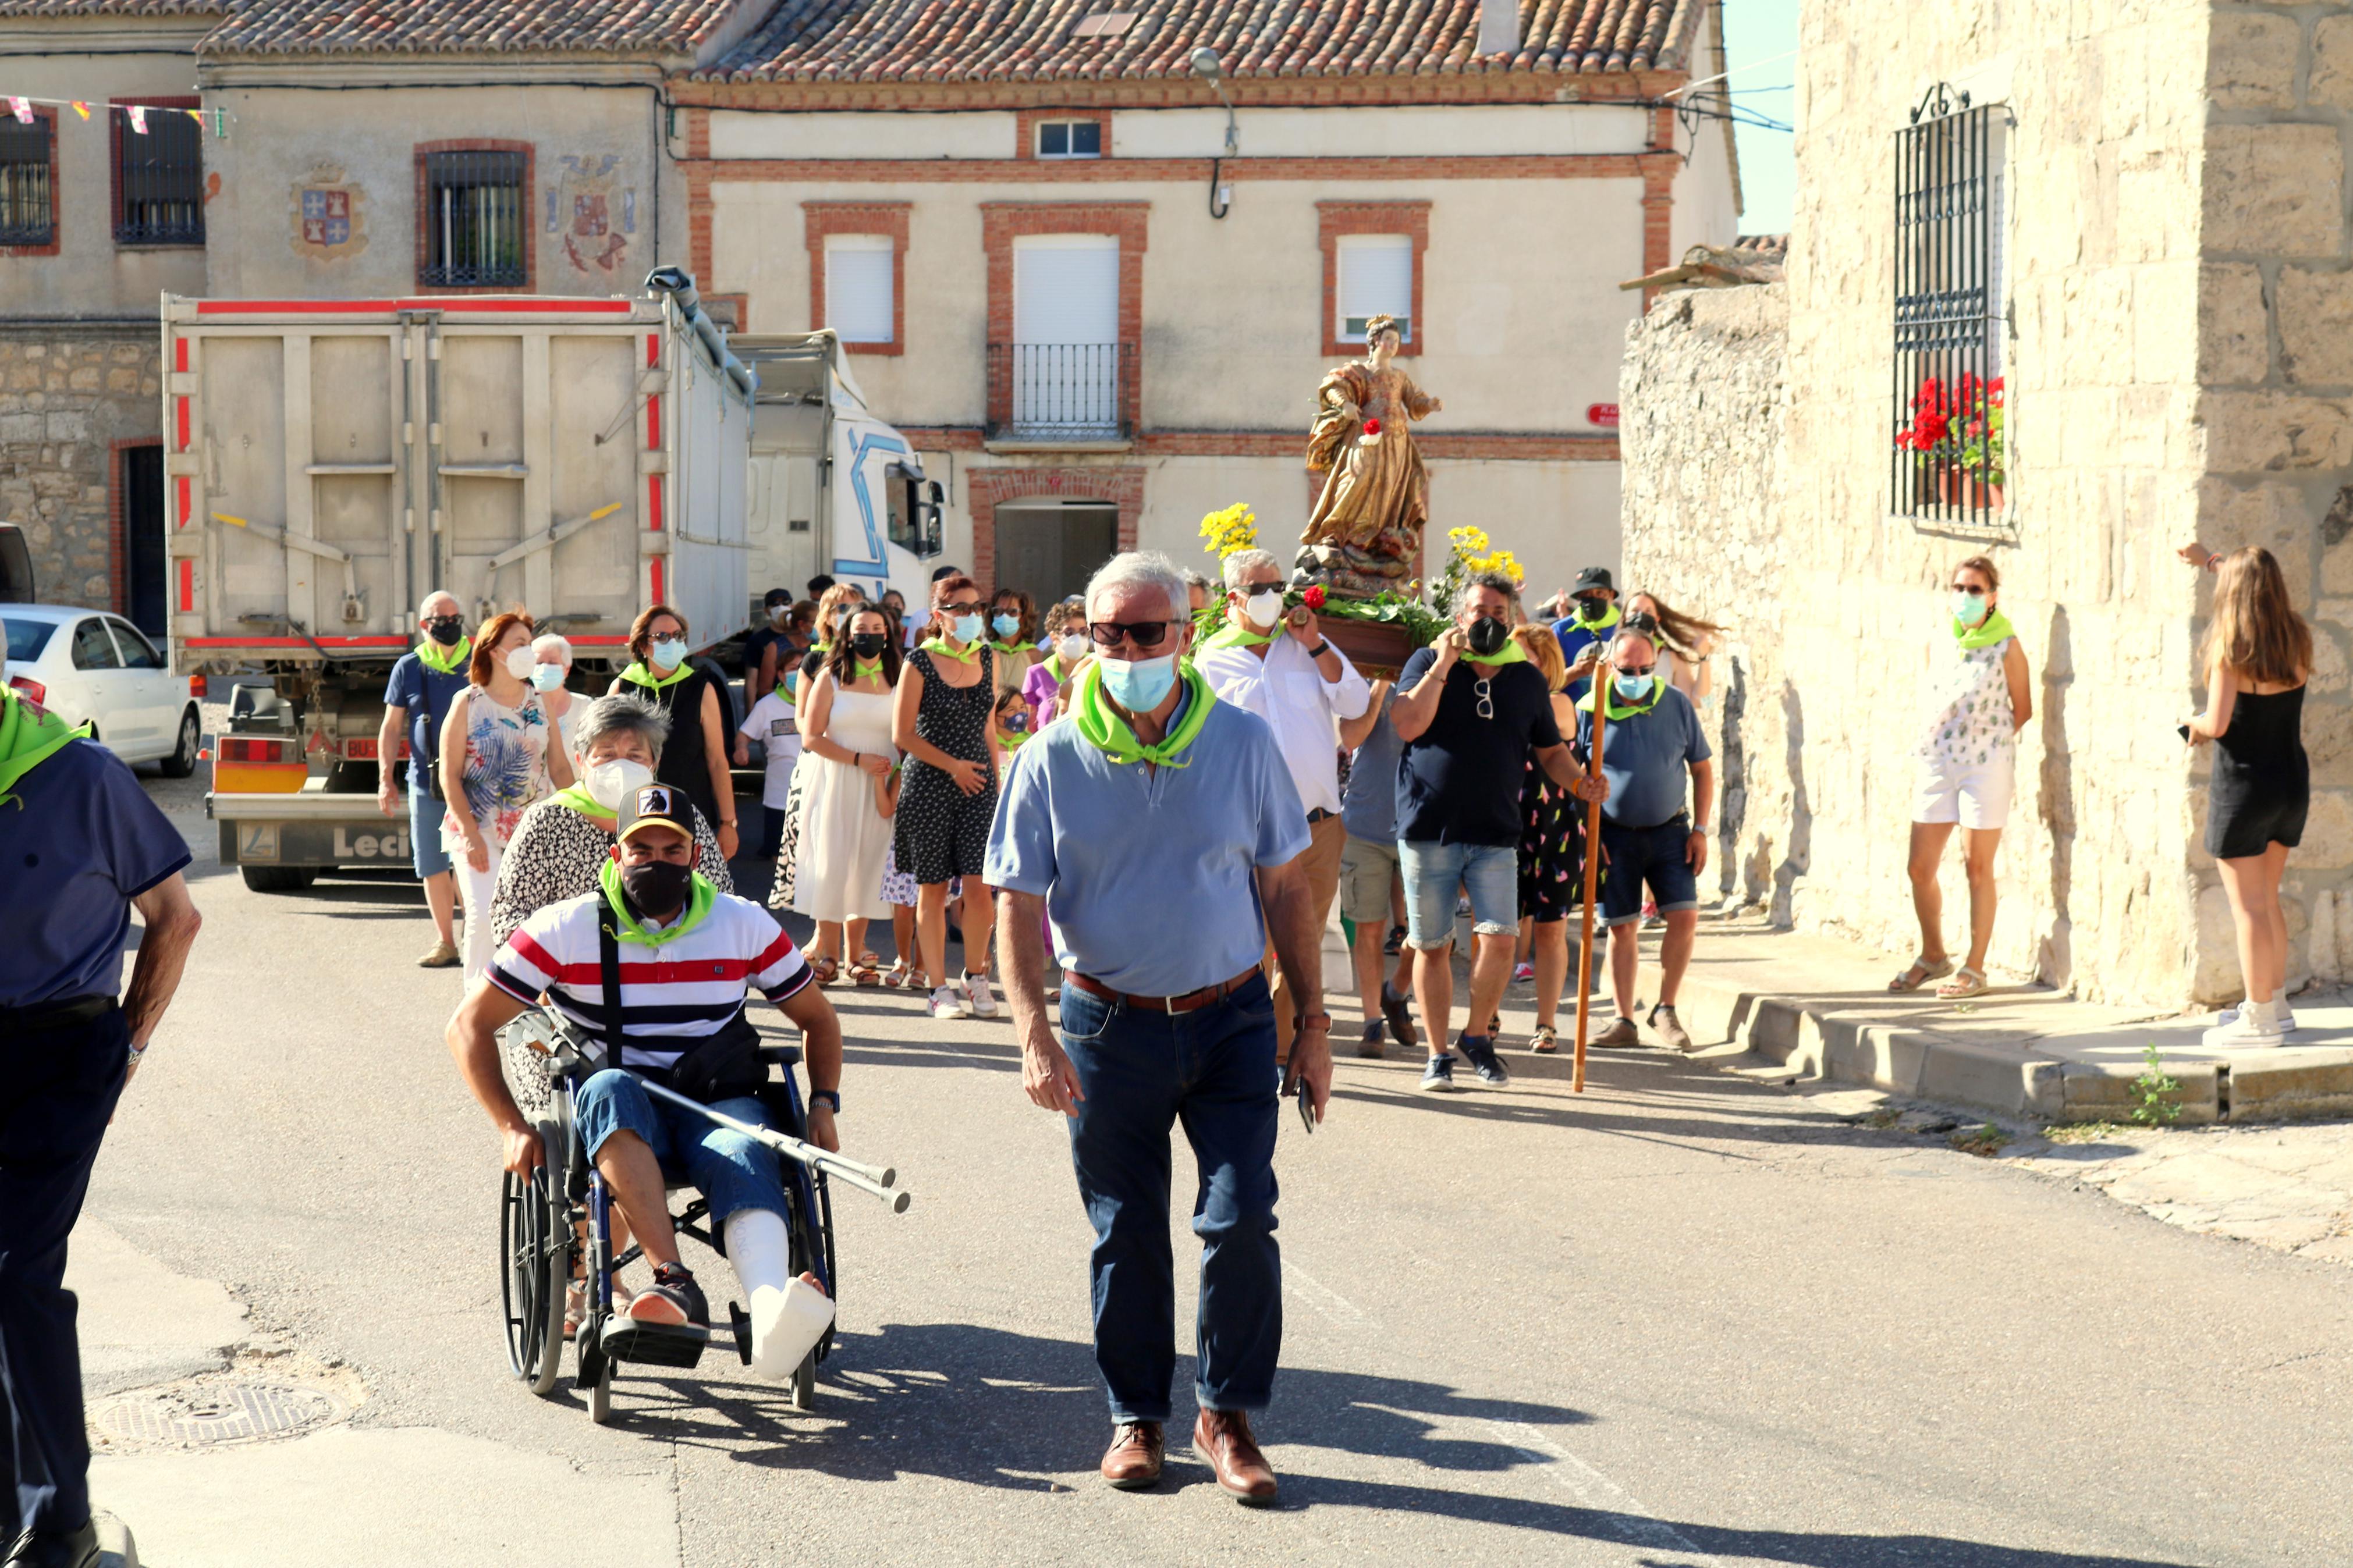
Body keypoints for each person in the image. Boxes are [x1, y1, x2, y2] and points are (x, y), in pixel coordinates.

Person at [986, 549, 1329, 1506]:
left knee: (1238, 1220)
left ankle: (1225, 1415)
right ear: (1086, 638)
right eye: (1110, 633)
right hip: (1105, 1025)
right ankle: (1136, 1418)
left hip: (1228, 1023)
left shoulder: (1242, 743)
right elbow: (1015, 902)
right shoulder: (1048, 757)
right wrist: (1030, 1030)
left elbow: (1284, 885)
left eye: (1147, 631)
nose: (1129, 648)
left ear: (1185, 633)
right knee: (1125, 1232)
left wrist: (1310, 1021)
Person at [446, 784, 841, 1368]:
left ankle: (768, 1308)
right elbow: (467, 1027)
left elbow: (817, 1017)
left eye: (672, 849)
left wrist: (823, 1104)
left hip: (718, 1100)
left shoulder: (743, 924)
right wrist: (510, 1125)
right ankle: (673, 1280)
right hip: (621, 1116)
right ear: (617, 855)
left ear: (695, 858)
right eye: (642, 848)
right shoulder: (563, 928)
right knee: (607, 1086)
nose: (657, 860)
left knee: (744, 1144)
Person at [0, 678, 203, 1568]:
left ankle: (63, 1522)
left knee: (16, 1271)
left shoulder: (81, 772)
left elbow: (176, 917)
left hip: (61, 1051)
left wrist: (130, 1041)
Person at [1390, 571, 1606, 1091]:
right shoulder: (1426, 662)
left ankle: (1476, 1037)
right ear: (1460, 617)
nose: (1487, 620)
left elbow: (1550, 751)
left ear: (1511, 621)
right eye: (1478, 611)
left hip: (1495, 833)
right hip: (1429, 828)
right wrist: (1444, 662)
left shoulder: (1526, 680)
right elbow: (1406, 723)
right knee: (1432, 945)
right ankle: (1438, 1053)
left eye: (1497, 614)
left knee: (1501, 941)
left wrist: (1580, 784)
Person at [1195, 547, 1371, 1058]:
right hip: (1246, 827)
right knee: (1249, 942)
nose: (1272, 598)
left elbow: (1356, 704)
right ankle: (1245, 1047)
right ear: (1234, 597)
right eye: (1259, 589)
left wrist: (1315, 644)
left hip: (1316, 826)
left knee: (1303, 943)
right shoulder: (1210, 659)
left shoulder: (1308, 646)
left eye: (1277, 586)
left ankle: (1281, 1047)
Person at [2180, 542, 2312, 1047]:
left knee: (2248, 908)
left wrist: (2188, 724)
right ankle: (2274, 1004)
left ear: (2229, 592)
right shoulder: (2297, 637)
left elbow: (2214, 724)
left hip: (2244, 788)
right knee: (2268, 900)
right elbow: (2249, 580)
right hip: (2289, 782)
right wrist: (2211, 560)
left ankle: (2257, 1020)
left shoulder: (2229, 651)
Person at [1887, 556, 2034, 1002]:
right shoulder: (1939, 641)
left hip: (1984, 765)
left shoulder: (2006, 646)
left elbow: (2023, 708)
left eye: (1975, 589)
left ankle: (1975, 966)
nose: (1965, 597)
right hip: (1937, 761)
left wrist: (1986, 744)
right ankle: (1934, 954)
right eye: (1958, 588)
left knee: (1977, 865)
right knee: (1919, 866)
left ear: (1992, 596)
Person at [489, 694, 730, 952]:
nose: (620, 766)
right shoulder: (546, 821)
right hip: (574, 978)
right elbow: (509, 917)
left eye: (635, 756)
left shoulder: (679, 815)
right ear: (581, 762)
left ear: (654, 764)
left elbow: (721, 900)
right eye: (607, 755)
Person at [1577, 630, 1716, 1051]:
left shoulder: (1674, 703)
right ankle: (1623, 1019)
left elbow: (1702, 769)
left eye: (1644, 669)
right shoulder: (1591, 708)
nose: (1636, 676)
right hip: (1614, 835)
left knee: (1684, 917)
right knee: (1622, 927)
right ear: (1610, 666)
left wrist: (1701, 831)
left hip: (1671, 830)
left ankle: (1665, 1009)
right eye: (1627, 670)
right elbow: (1575, 774)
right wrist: (1590, 831)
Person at [442, 610, 574, 984]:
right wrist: (469, 834)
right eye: (520, 644)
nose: (528, 652)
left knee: (532, 918)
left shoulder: (540, 700)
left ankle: (522, 997)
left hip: (531, 828)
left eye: (529, 644)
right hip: (476, 827)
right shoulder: (467, 702)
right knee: (483, 914)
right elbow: (448, 775)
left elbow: (560, 768)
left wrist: (582, 814)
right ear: (493, 650)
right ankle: (476, 1001)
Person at [893, 574, 1002, 1021]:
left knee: (980, 888)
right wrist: (952, 766)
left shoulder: (988, 656)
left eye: (977, 607)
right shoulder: (918, 661)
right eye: (960, 608)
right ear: (938, 616)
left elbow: (990, 727)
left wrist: (998, 784)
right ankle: (938, 988)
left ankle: (975, 975)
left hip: (979, 787)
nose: (971, 616)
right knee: (933, 890)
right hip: (929, 787)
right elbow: (902, 735)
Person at [787, 606, 900, 986]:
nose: (869, 633)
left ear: (888, 633)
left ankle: (857, 953)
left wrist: (885, 770)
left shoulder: (900, 677)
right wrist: (857, 759)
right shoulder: (830, 677)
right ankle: (829, 953)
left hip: (880, 783)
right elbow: (812, 736)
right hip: (836, 778)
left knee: (869, 861)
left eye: (876, 627)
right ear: (847, 635)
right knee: (833, 863)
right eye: (861, 628)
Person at [377, 591, 471, 967]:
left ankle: (481, 935)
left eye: (454, 617)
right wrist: (386, 778)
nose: (449, 625)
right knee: (433, 865)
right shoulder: (410, 667)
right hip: (426, 782)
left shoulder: (479, 659)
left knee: (472, 861)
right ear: (424, 625)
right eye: (440, 619)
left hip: (474, 782)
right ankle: (446, 941)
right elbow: (391, 726)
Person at [610, 606, 738, 862]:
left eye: (678, 636)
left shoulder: (701, 688)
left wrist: (728, 823)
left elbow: (717, 760)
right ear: (643, 646)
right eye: (662, 637)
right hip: (634, 818)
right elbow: (606, 758)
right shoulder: (622, 687)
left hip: (690, 816)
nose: (673, 642)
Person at [770, 585, 867, 913]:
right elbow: (802, 722)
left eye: (854, 607)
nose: (847, 614)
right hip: (822, 765)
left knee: (860, 854)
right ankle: (822, 940)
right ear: (825, 617)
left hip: (868, 765)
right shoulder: (813, 661)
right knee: (819, 852)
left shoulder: (881, 661)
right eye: (840, 608)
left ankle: (856, 947)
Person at [1336, 677, 1418, 1058]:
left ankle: (1396, 992)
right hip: (1365, 825)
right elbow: (1350, 738)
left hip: (1422, 827)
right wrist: (1378, 687)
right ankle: (1372, 1021)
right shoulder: (1364, 680)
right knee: (1368, 929)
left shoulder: (1438, 673)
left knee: (1428, 935)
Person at [1512, 625, 1584, 1053]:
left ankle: (1546, 1023)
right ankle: (1489, 1014)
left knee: (1551, 930)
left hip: (1554, 827)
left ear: (1544, 662)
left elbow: (1548, 737)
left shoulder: (1557, 703)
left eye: (1525, 658)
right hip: (1506, 824)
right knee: (1496, 929)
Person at [736, 660, 804, 863]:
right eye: (793, 668)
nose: (798, 673)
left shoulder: (820, 701)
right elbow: (743, 735)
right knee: (780, 855)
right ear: (781, 675)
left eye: (802, 667)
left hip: (815, 786)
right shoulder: (767, 706)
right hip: (779, 791)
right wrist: (741, 749)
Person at [1624, 592, 1721, 709]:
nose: (1641, 615)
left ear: (1657, 619)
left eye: (1648, 611)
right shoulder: (1612, 657)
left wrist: (1704, 658)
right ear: (1625, 616)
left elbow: (1704, 703)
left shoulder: (1670, 659)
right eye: (1635, 611)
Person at [1550, 566, 1621, 702]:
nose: (1593, 599)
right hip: (1572, 715)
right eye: (1587, 595)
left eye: (1600, 593)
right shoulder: (1560, 631)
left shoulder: (1624, 627)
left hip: (1615, 715)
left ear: (1611, 595)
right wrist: (1575, 672)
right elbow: (1546, 685)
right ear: (1579, 598)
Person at [1024, 603, 1091, 731]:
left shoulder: (1097, 668)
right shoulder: (1036, 674)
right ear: (1054, 637)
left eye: (1083, 632)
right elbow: (1030, 728)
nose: (1078, 638)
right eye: (1069, 632)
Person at [531, 632, 579, 765]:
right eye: (539, 663)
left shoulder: (586, 708)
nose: (544, 668)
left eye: (552, 663)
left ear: (567, 669)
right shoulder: (519, 706)